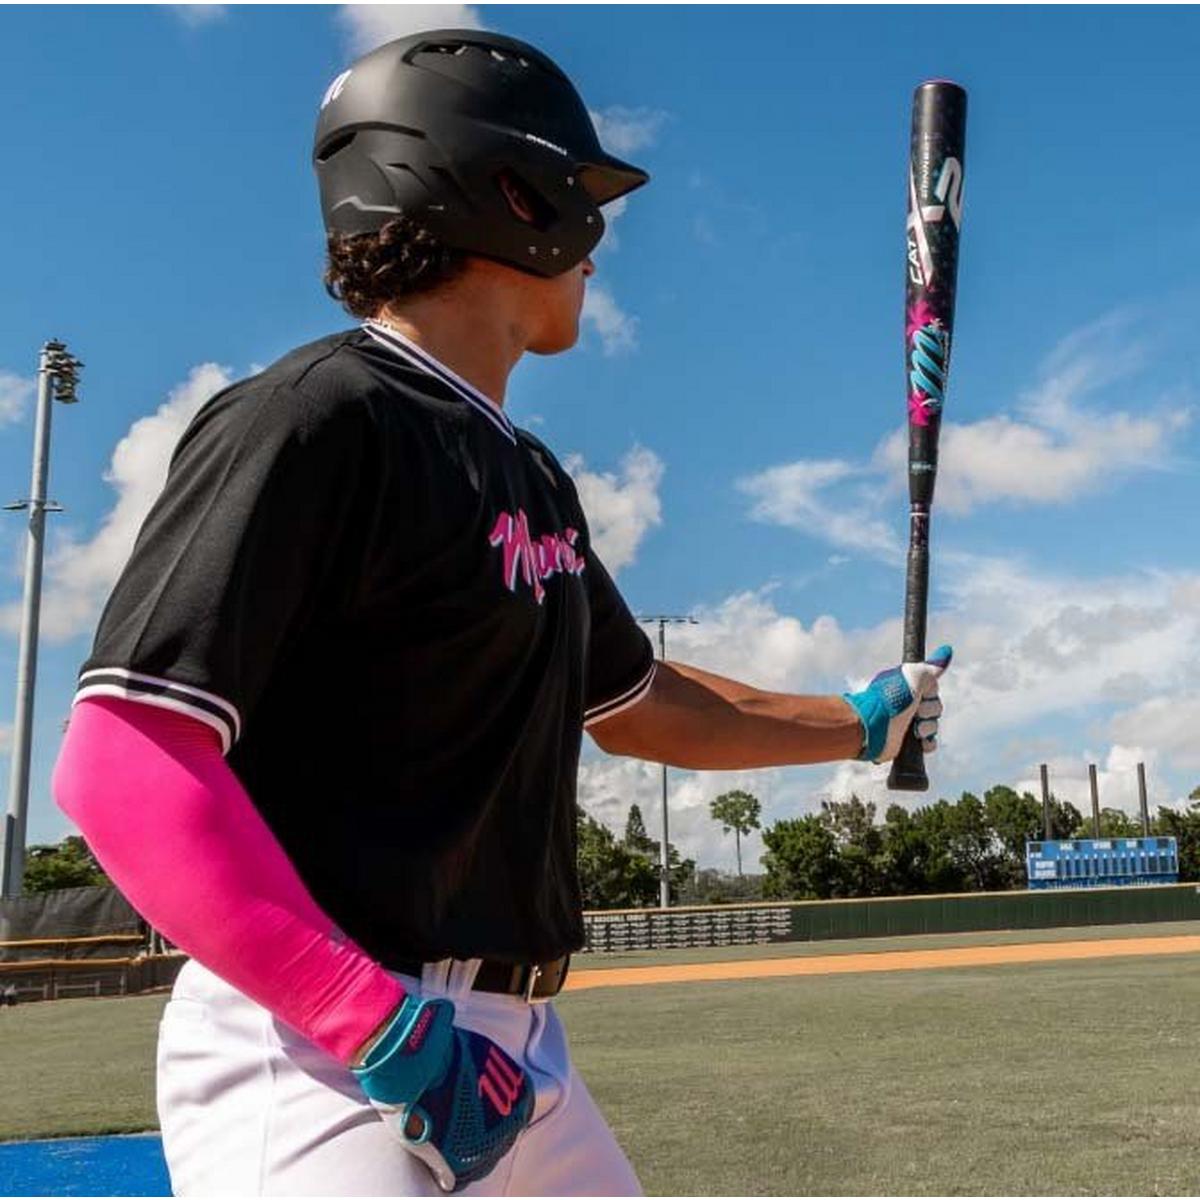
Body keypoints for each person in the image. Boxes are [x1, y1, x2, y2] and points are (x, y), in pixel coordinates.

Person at [52, 29, 950, 1198]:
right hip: (325, 1048)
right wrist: (371, 1022)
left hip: (515, 1049)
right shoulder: (314, 417)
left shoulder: (530, 477)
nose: (598, 242)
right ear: (511, 195)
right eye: (580, 195)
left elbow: (637, 702)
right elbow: (122, 759)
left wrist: (860, 720)